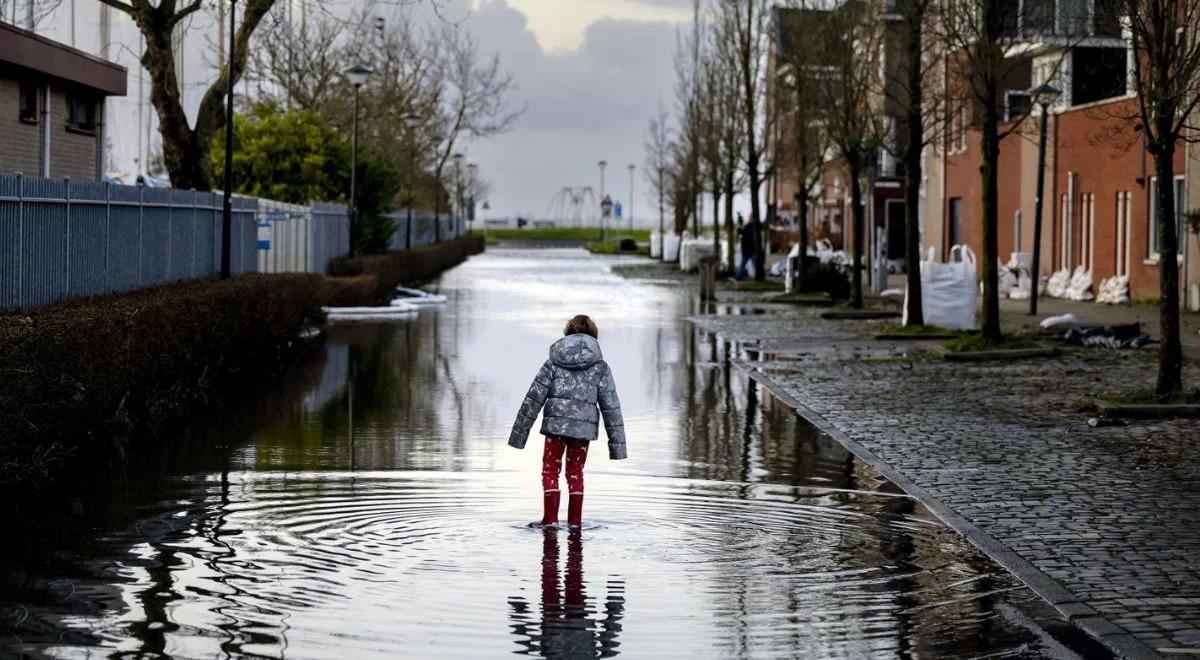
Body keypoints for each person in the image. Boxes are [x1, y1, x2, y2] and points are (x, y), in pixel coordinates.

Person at [509, 314, 627, 527]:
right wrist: (618, 448)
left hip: (556, 428)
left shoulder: (552, 363)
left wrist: (519, 436)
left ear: (567, 335)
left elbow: (532, 399)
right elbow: (612, 407)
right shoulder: (600, 367)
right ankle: (575, 522)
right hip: (583, 431)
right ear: (594, 338)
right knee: (575, 473)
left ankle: (550, 520)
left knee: (550, 469)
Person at [735, 213, 758, 280]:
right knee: (746, 264)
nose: (750, 219)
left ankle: (738, 276)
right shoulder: (749, 227)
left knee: (746, 264)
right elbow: (739, 232)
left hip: (749, 249)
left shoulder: (749, 227)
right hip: (748, 249)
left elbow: (739, 232)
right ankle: (738, 276)